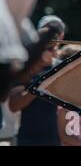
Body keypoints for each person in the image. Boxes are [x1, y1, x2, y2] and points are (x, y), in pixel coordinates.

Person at [8, 18, 65, 146]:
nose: (54, 51)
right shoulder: (25, 70)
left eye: (54, 47)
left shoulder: (60, 69)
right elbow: (14, 105)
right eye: (49, 48)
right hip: (27, 139)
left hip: (54, 139)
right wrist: (40, 85)